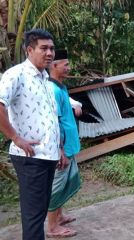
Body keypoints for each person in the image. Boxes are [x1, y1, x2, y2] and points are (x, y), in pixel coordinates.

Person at [0, 29, 62, 240]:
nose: (49, 53)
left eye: (52, 48)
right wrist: (16, 138)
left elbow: (50, 117)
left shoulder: (45, 78)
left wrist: (59, 148)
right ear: (29, 49)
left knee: (40, 210)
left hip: (48, 155)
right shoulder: (16, 75)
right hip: (30, 157)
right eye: (43, 48)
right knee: (34, 215)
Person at [46, 49, 81, 238]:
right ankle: (52, 227)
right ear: (54, 65)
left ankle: (59, 216)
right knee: (57, 185)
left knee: (66, 182)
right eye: (65, 64)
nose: (69, 68)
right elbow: (54, 123)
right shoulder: (52, 90)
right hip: (62, 148)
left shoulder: (61, 87)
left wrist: (76, 105)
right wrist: (60, 150)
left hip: (68, 145)